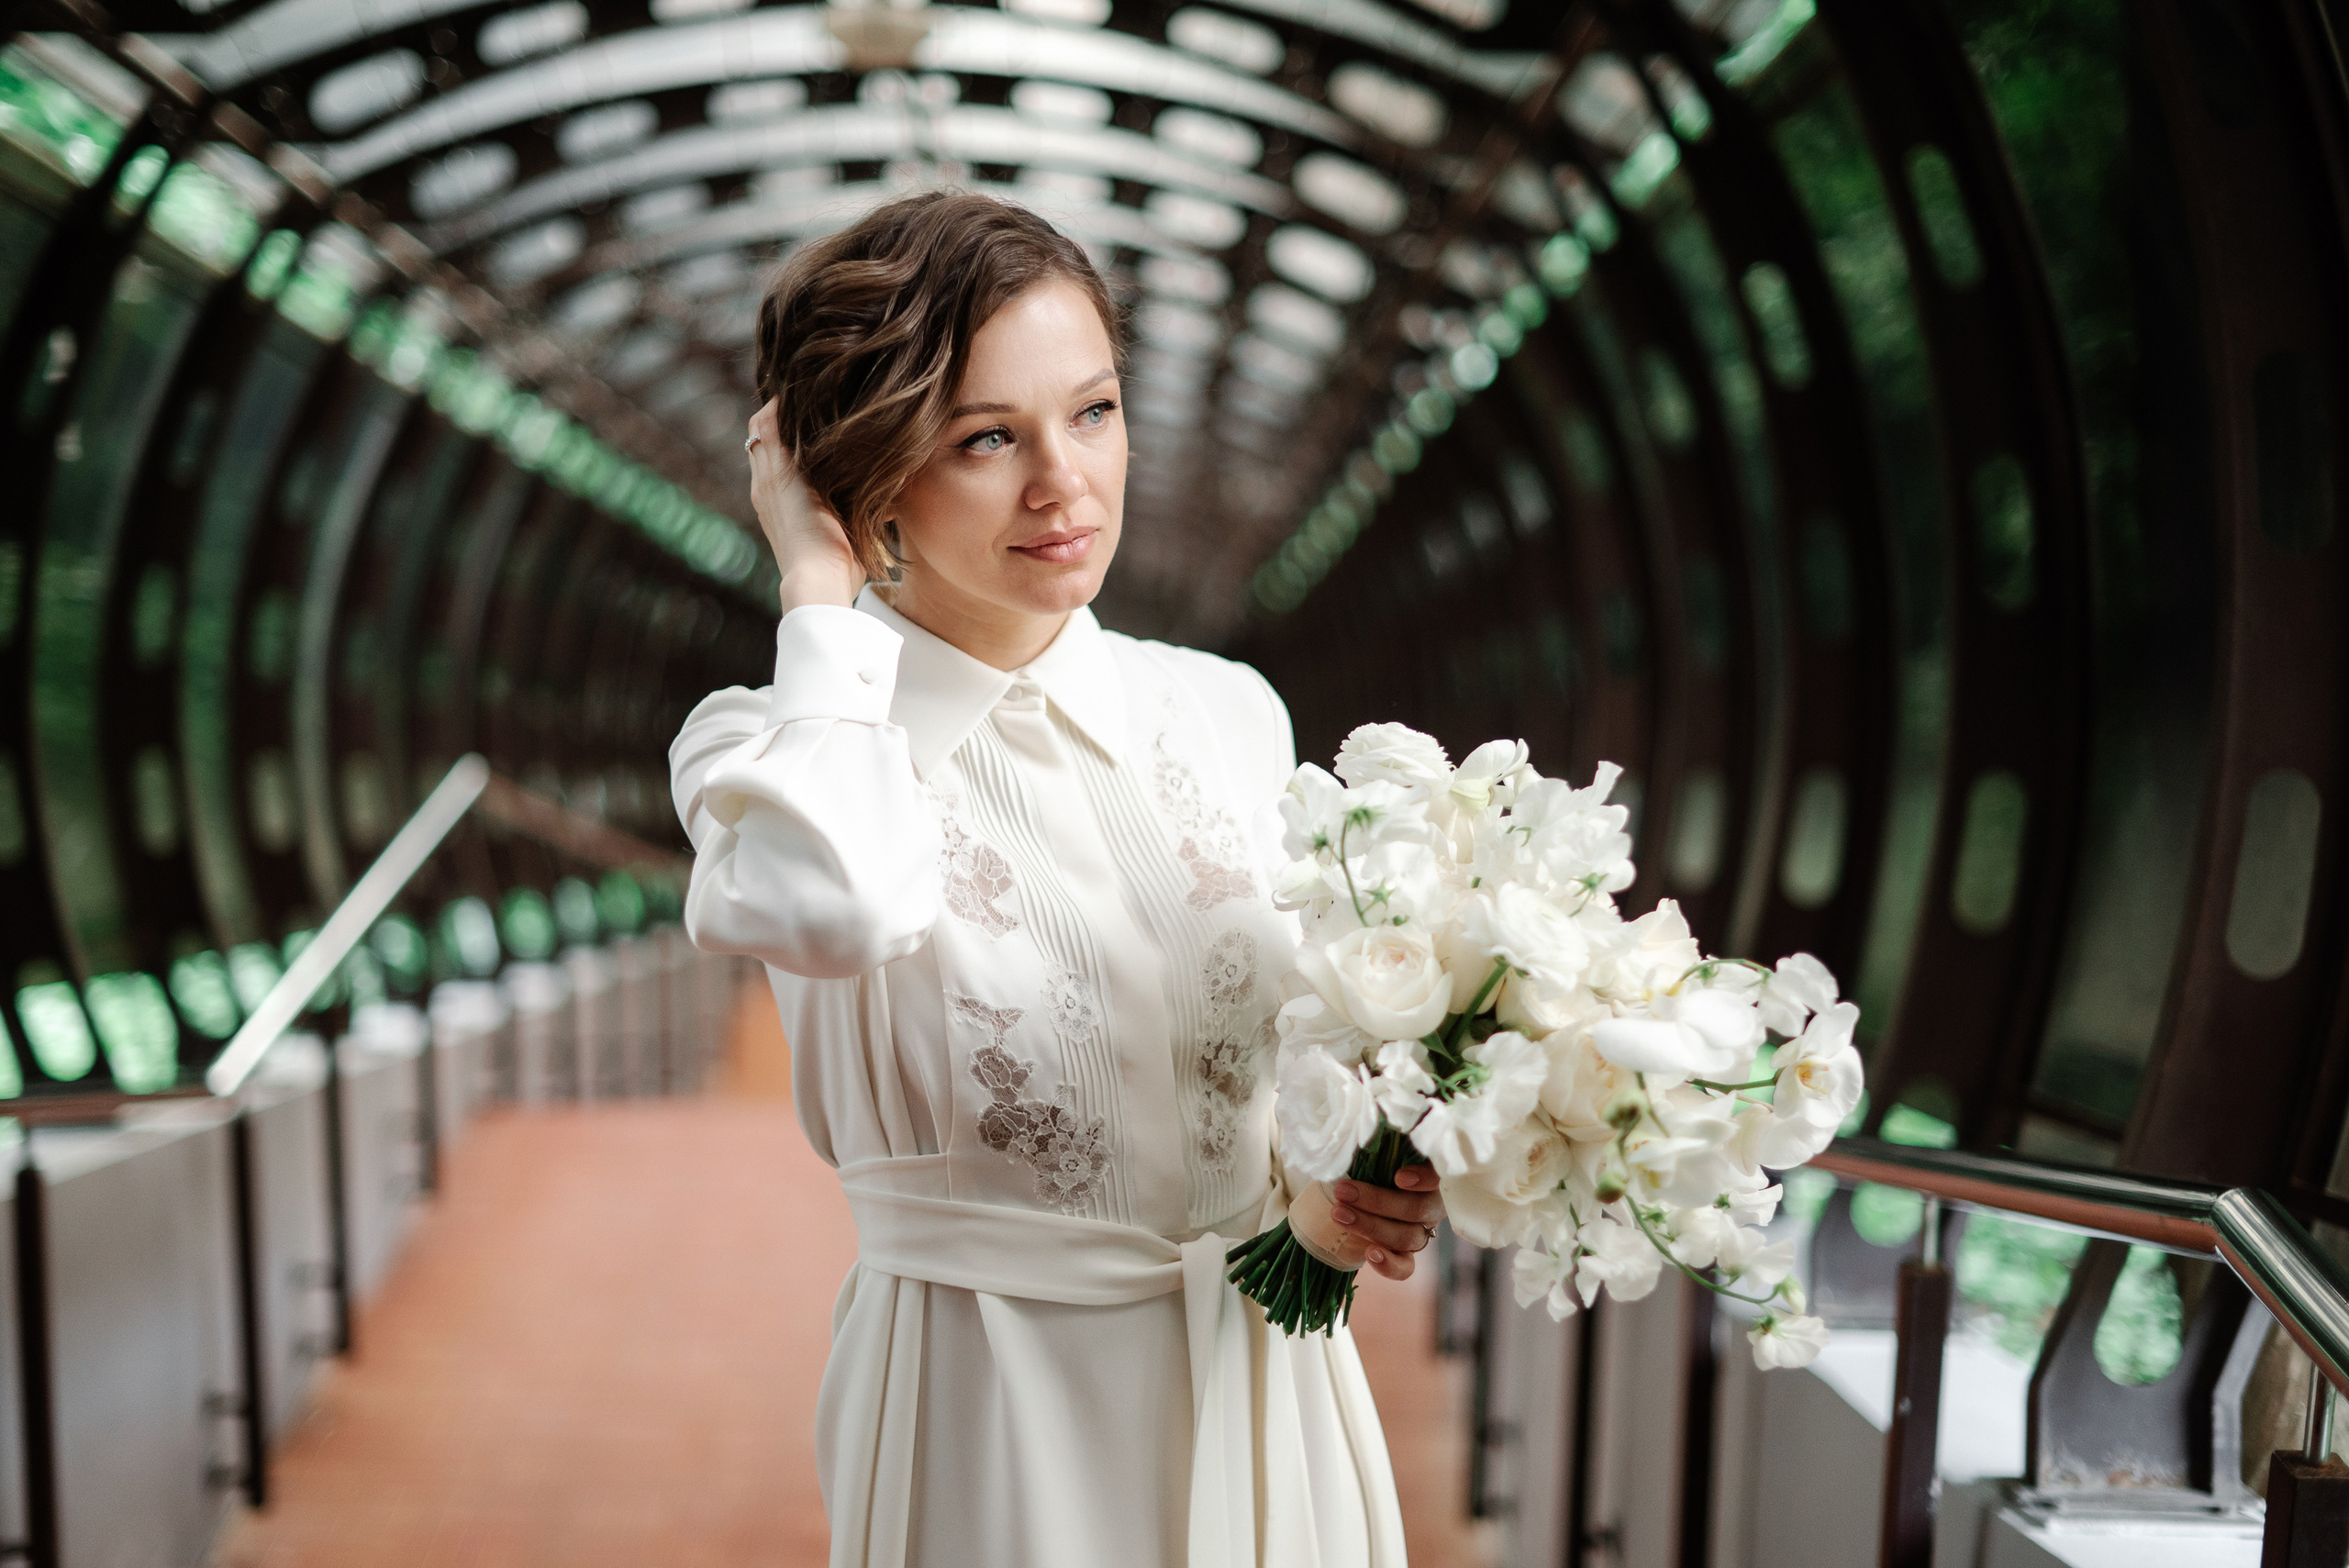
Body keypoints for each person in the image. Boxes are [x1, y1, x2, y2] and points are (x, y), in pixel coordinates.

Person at [668, 189, 1442, 1568]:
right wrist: (811, 579)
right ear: (869, 474)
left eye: (1091, 412)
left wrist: (1332, 1198)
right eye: (985, 439)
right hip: (991, 1418)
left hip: (1267, 1378)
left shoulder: (1227, 711)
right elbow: (832, 910)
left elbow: (1274, 1075)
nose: (1063, 485)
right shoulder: (770, 747)